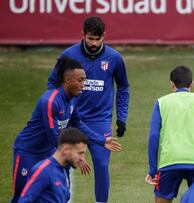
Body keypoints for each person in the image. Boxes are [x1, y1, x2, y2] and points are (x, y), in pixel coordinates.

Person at [12, 57, 121, 203]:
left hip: (49, 151)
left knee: (56, 197)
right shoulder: (50, 101)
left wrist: (101, 140)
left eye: (84, 80)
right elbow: (53, 136)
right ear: (67, 80)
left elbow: (78, 123)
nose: (84, 84)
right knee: (21, 197)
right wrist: (74, 155)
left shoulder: (73, 99)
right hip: (28, 153)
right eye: (80, 80)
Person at [47, 16, 129, 202]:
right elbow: (52, 83)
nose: (93, 43)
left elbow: (123, 86)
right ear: (83, 35)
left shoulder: (114, 58)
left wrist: (122, 117)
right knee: (65, 162)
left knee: (101, 164)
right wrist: (60, 107)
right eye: (90, 38)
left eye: (97, 39)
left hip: (100, 120)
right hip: (71, 120)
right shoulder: (69, 55)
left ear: (104, 36)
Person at [146, 65, 194, 203]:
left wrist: (152, 170)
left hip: (169, 162)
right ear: (192, 84)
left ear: (172, 84)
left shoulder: (161, 103)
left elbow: (153, 137)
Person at [18, 128, 89, 202]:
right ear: (66, 150)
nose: (82, 158)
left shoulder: (62, 170)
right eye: (80, 153)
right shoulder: (43, 171)